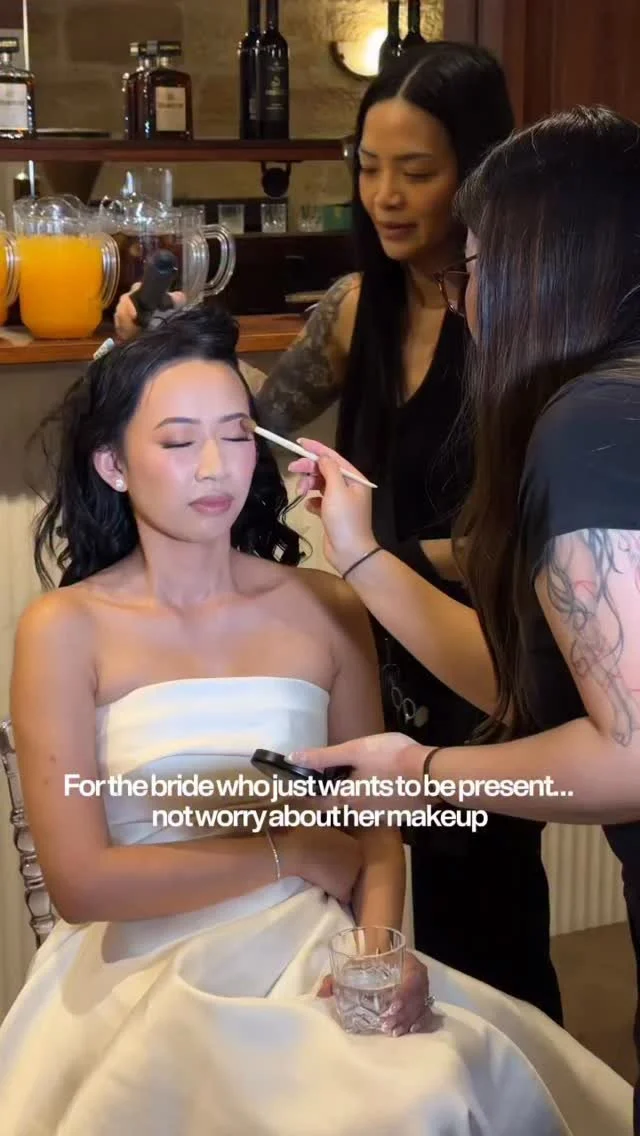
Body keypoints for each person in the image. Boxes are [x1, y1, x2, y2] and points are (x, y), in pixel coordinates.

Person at [0, 306, 632, 1135]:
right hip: (143, 970)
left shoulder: (329, 605)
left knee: (427, 1095)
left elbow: (375, 828)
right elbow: (81, 884)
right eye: (179, 442)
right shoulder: (64, 628)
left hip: (315, 948)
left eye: (236, 435)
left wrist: (379, 954)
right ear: (113, 465)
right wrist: (290, 852)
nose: (216, 466)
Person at [114, 43, 563, 1025]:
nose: (385, 196)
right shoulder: (357, 307)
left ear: (479, 172)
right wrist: (172, 348)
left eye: (418, 170)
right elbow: (260, 424)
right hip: (373, 654)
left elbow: (518, 541)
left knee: (485, 933)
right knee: (361, 915)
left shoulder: (520, 324)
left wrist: (379, 557)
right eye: (368, 168)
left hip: (476, 659)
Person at [283, 106, 640, 1132]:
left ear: (538, 270)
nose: (466, 298)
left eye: (473, 268)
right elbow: (538, 687)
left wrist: (423, 772)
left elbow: (629, 752)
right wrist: (361, 551)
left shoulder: (592, 427)